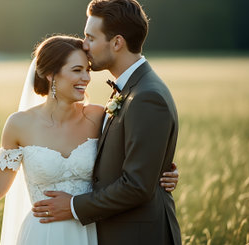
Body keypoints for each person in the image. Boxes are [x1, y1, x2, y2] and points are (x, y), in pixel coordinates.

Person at [0, 34, 179, 245]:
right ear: (51, 75)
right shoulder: (19, 124)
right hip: (42, 234)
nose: (86, 78)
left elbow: (136, 159)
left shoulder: (100, 116)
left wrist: (163, 173)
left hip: (92, 233)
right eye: (77, 70)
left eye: (87, 70)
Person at [32, 0, 182, 244]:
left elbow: (137, 186)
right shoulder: (131, 89)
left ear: (117, 43)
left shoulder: (146, 97)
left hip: (137, 236)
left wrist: (72, 206)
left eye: (91, 37)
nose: (84, 45)